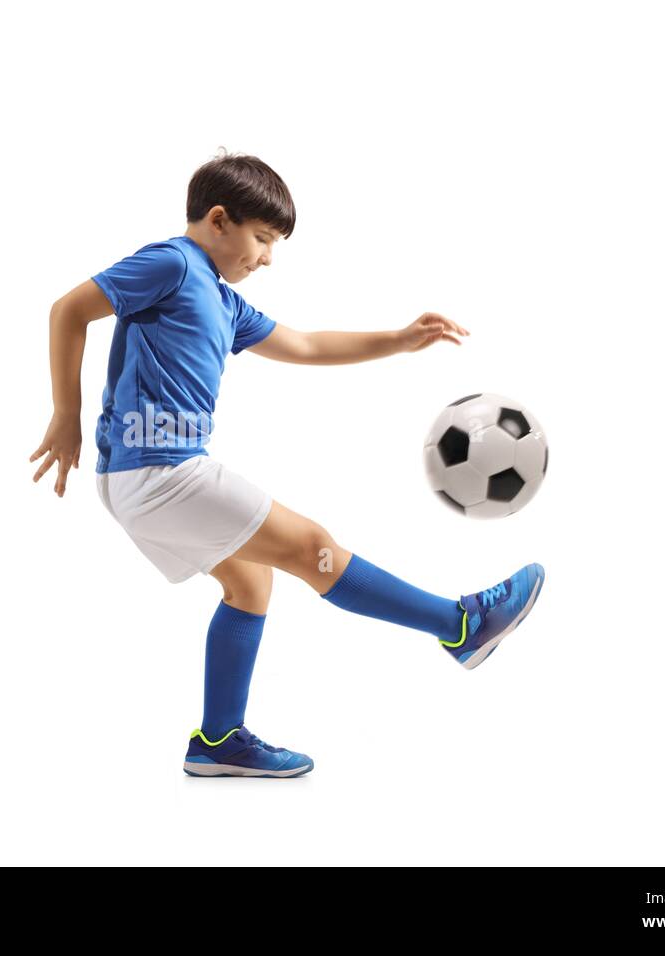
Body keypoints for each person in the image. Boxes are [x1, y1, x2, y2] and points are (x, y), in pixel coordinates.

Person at [30, 150, 545, 778]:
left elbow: (302, 344)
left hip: (146, 476)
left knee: (250, 584)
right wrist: (66, 413)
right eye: (262, 239)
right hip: (160, 470)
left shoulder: (225, 302)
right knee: (312, 547)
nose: (267, 257)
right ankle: (459, 624)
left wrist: (399, 339)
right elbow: (69, 309)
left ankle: (218, 742)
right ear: (218, 220)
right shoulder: (173, 262)